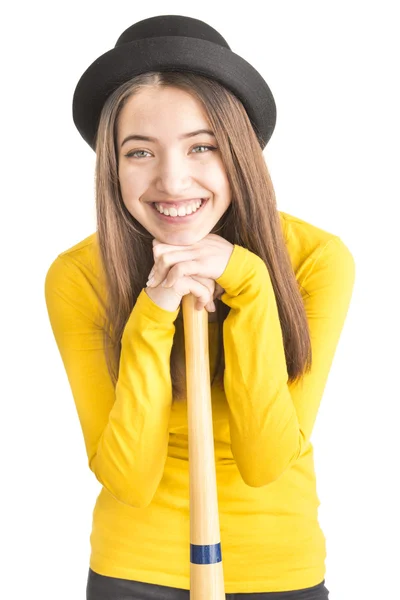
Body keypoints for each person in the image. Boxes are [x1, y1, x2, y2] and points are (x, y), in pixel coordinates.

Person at [44, 14, 355, 600]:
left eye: (202, 146)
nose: (173, 180)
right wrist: (153, 313)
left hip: (277, 569)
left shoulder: (316, 260)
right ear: (112, 164)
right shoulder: (78, 276)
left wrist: (250, 283)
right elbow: (129, 480)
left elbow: (266, 463)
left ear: (239, 151)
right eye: (140, 152)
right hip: (132, 570)